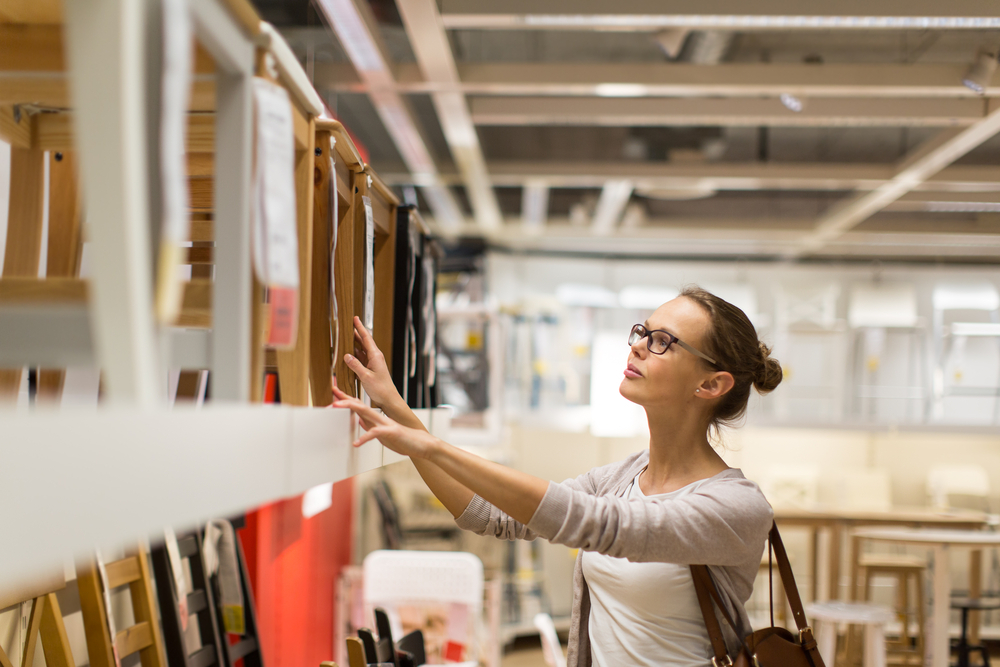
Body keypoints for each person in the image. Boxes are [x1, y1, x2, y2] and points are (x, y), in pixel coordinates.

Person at [332, 286, 782, 667]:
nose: (639, 345)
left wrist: (430, 446)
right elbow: (489, 515)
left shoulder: (736, 507)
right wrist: (396, 408)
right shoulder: (622, 478)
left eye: (663, 340)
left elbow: (601, 526)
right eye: (642, 331)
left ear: (711, 385)